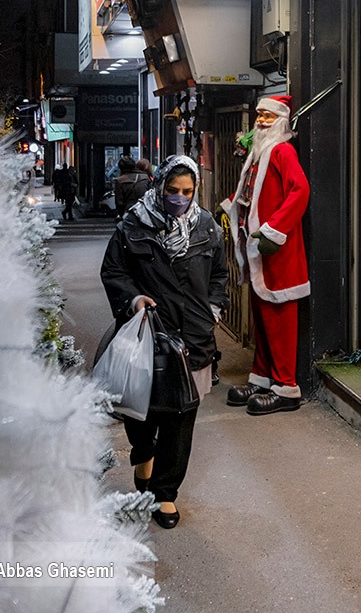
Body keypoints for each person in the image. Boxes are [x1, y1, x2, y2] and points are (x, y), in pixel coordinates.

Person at [100, 154, 228, 529]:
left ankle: (164, 493)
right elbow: (114, 270)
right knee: (141, 408)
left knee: (181, 416)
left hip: (193, 337)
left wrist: (213, 310)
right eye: (173, 190)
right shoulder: (134, 225)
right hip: (148, 335)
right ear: (160, 186)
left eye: (187, 191)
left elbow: (219, 275)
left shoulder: (206, 227)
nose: (180, 198)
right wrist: (133, 299)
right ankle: (143, 451)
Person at [223, 95, 310, 416]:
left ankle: (286, 386)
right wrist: (230, 208)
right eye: (259, 115)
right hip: (258, 249)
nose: (260, 121)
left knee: (279, 319)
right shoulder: (261, 152)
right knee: (261, 318)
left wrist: (275, 229)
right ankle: (262, 378)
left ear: (281, 120)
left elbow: (300, 190)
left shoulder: (282, 151)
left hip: (277, 251)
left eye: (267, 116)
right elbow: (251, 192)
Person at [114, 154, 151, 219]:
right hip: (144, 213)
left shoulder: (120, 181)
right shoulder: (145, 177)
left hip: (128, 213)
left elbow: (119, 203)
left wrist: (122, 214)